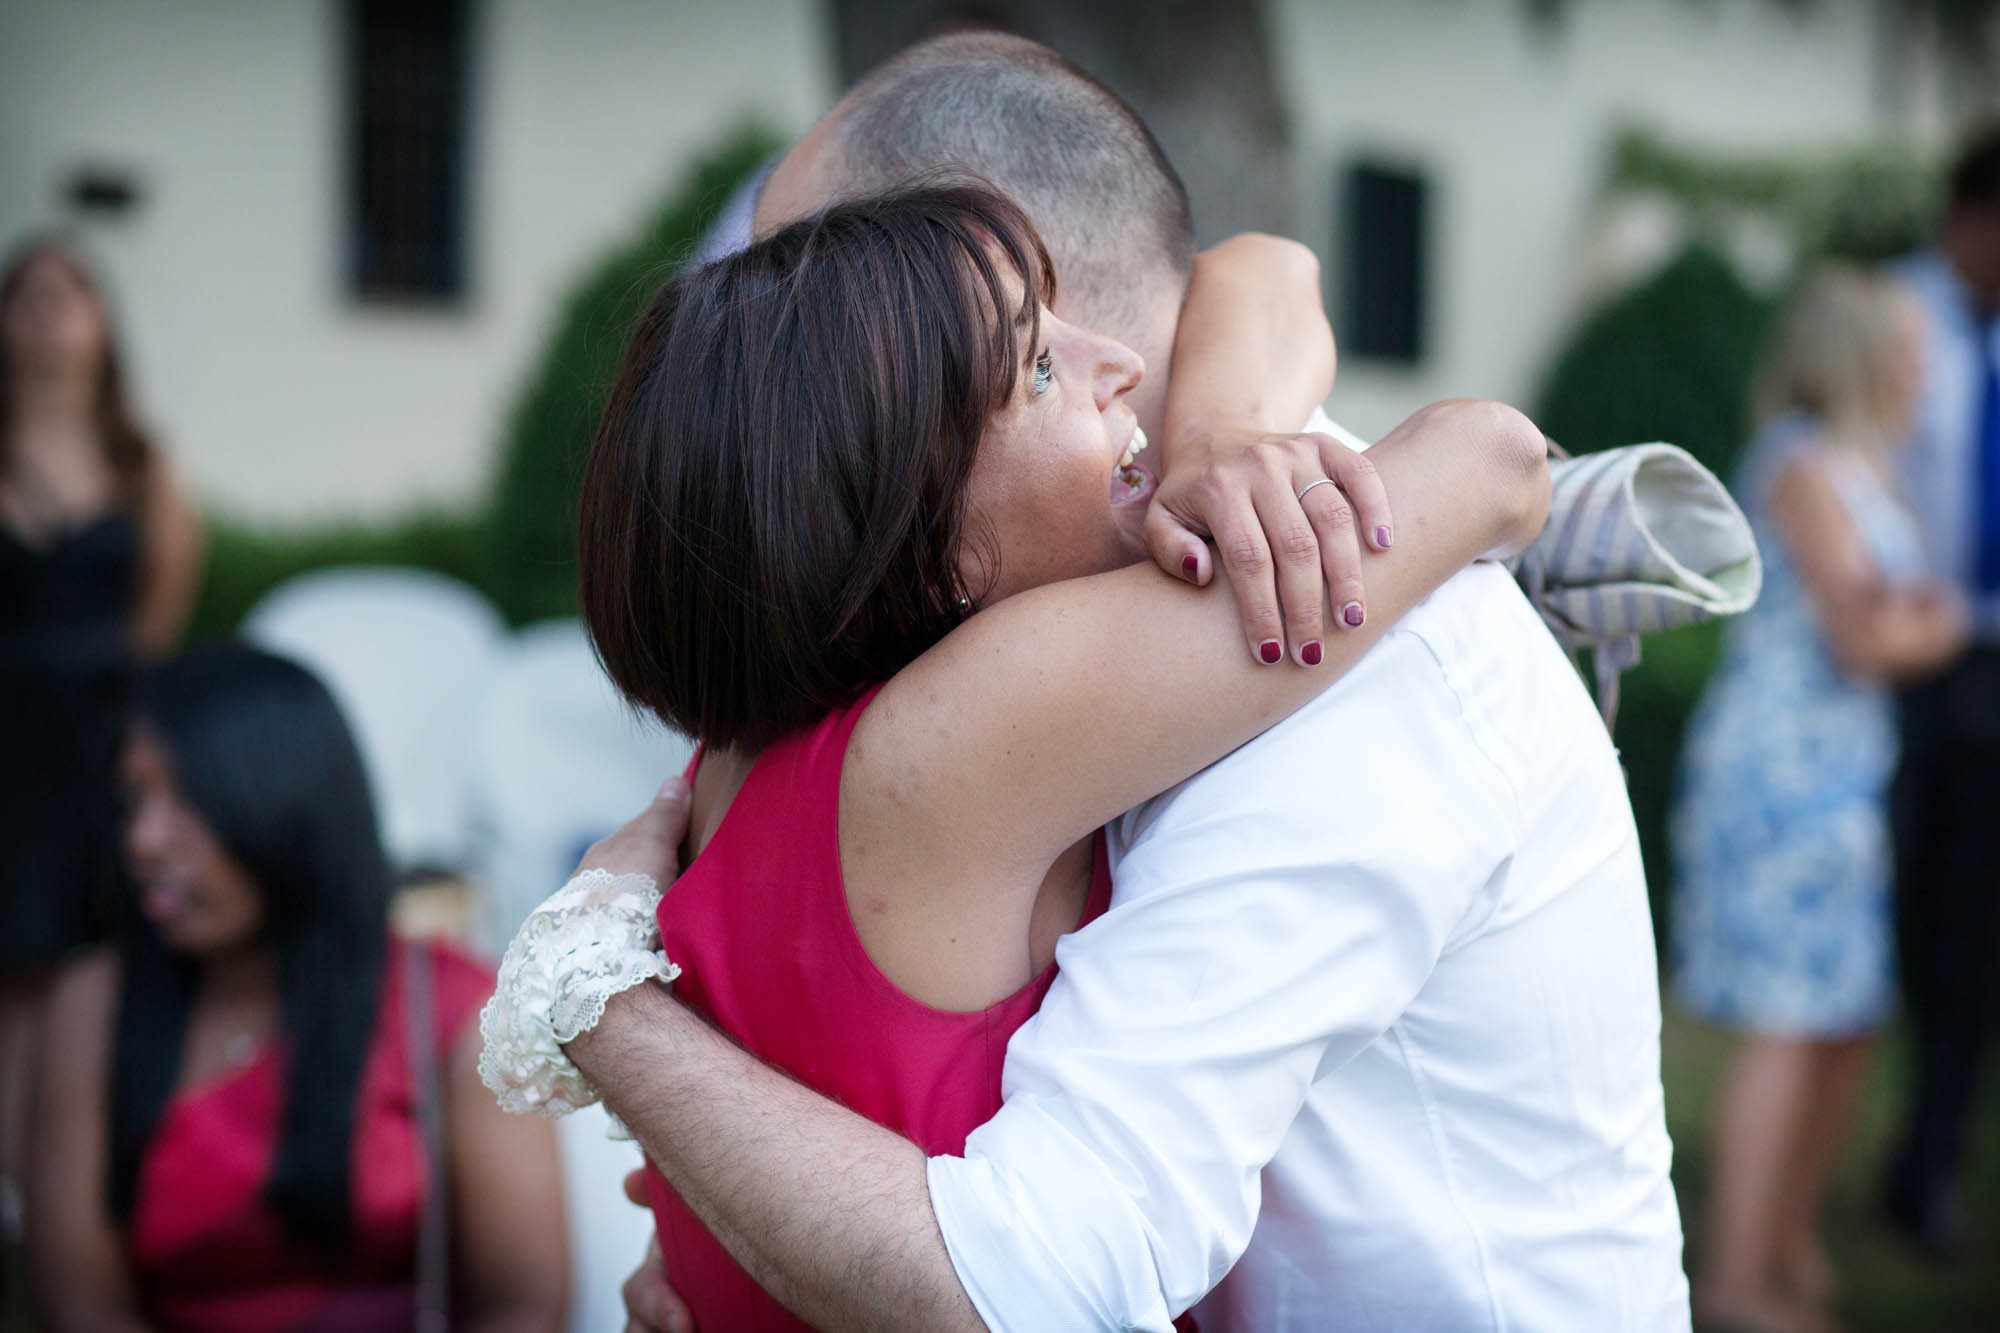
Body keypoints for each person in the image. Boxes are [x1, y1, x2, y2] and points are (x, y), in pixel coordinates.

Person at [524, 32, 1686, 1333]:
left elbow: (1364, 359)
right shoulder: (969, 680)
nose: (1107, 365)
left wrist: (604, 1010)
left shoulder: (1317, 616)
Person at [28, 643, 568, 1332]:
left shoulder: (458, 1008)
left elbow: (523, 1303)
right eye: (134, 798)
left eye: (187, 799)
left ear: (292, 807)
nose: (144, 839)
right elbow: (82, 1305)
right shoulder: (95, 1004)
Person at [1672, 266, 1966, 1332]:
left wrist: (1914, 621)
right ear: (1857, 354)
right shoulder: (1799, 464)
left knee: (1842, 1017)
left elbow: (1897, 614)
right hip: (1779, 781)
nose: (1923, 363)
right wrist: (1930, 626)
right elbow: (1865, 633)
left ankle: (1785, 1239)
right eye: (1906, 346)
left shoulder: (1866, 470)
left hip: (1840, 778)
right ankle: (1736, 1283)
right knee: (1789, 1021)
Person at [0, 237, 204, 1235]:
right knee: (15, 981)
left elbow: (163, 613)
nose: (48, 312)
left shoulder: (143, 461)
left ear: (104, 321)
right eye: (27, 294)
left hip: (99, 750)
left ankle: (86, 1196)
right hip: (6, 754)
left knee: (102, 962)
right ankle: (30, 1210)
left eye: (70, 293)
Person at [1881, 121, 2000, 1258]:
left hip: (1986, 664)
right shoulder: (1892, 319)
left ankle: (1929, 1164)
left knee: (1971, 935)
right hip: (1907, 659)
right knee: (1906, 919)